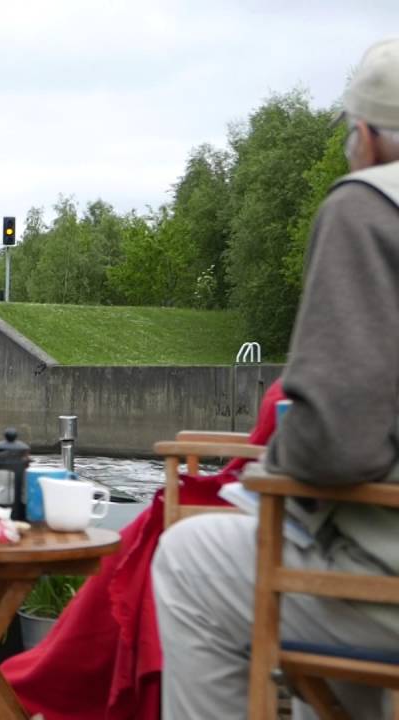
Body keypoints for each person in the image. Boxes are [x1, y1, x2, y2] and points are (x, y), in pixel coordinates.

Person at [152, 38, 399, 719]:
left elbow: (337, 439)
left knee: (189, 558)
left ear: (370, 138)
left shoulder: (366, 207)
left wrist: (269, 473)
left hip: (389, 585)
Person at [1, 378, 285, 720]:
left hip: (276, 502)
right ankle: (57, 675)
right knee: (152, 535)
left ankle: (59, 682)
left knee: (155, 540)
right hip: (271, 495)